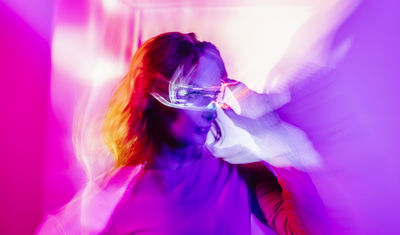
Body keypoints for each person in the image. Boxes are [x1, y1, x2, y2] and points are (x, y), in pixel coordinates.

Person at [36, 32, 329, 234]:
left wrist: (272, 136)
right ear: (148, 97)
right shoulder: (111, 200)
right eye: (192, 93)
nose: (209, 109)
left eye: (214, 93)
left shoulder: (241, 176)